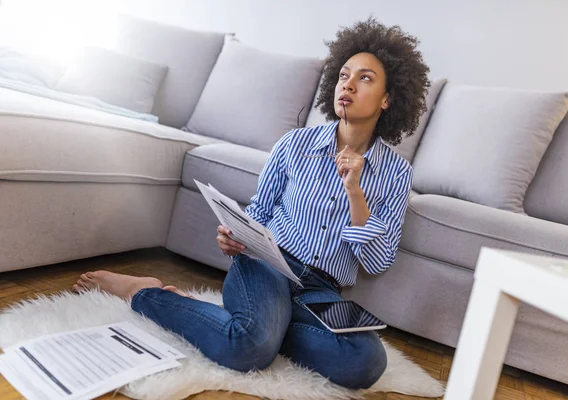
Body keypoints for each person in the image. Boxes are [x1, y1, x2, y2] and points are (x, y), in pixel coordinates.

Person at [73, 17, 430, 389]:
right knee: (248, 350)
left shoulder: (397, 173)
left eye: (366, 78)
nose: (349, 85)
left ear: (389, 99)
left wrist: (355, 192)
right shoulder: (295, 145)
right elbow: (259, 213)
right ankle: (144, 293)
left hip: (321, 291)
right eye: (344, 75)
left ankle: (261, 327)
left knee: (365, 361)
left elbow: (378, 261)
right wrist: (234, 237)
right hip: (267, 264)